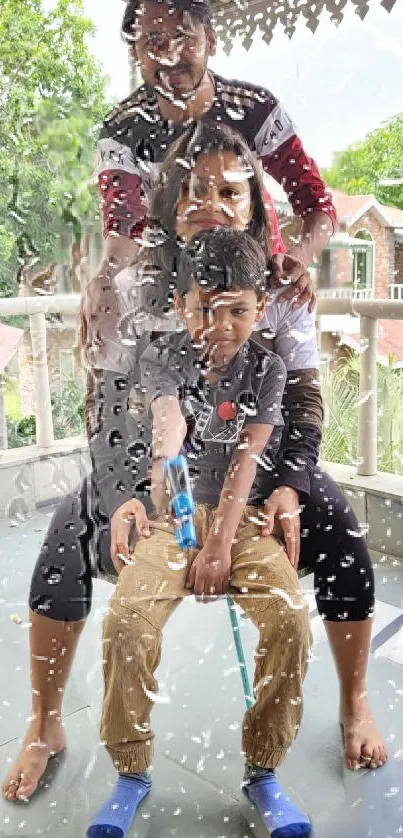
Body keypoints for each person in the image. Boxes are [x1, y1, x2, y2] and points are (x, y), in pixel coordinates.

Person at [2, 122, 383, 806]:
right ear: (168, 207)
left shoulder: (282, 289)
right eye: (191, 190)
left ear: (253, 205)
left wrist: (291, 486)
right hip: (159, 467)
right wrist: (123, 489)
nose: (208, 201)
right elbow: (111, 403)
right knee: (63, 538)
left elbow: (300, 406)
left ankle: (353, 702)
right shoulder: (130, 287)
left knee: (344, 536)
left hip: (258, 468)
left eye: (226, 191)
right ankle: (45, 724)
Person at [86, 228, 313, 838]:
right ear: (183, 306)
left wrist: (216, 547)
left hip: (243, 519)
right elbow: (170, 438)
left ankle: (263, 772)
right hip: (175, 514)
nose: (219, 326)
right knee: (126, 622)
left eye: (237, 310)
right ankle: (131, 773)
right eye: (203, 310)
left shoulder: (268, 367)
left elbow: (246, 458)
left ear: (259, 307)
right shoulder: (162, 359)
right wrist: (184, 524)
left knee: (291, 616)